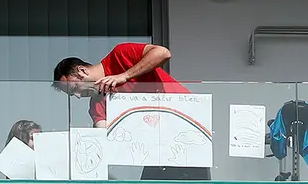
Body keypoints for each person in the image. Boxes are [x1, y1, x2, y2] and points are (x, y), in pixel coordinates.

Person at [51, 43, 210, 181]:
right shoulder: (97, 103)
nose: (78, 96)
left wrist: (124, 76)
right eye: (73, 95)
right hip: (157, 151)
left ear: (82, 71)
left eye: (75, 88)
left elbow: (163, 53)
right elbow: (102, 134)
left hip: (187, 130)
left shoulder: (119, 56)